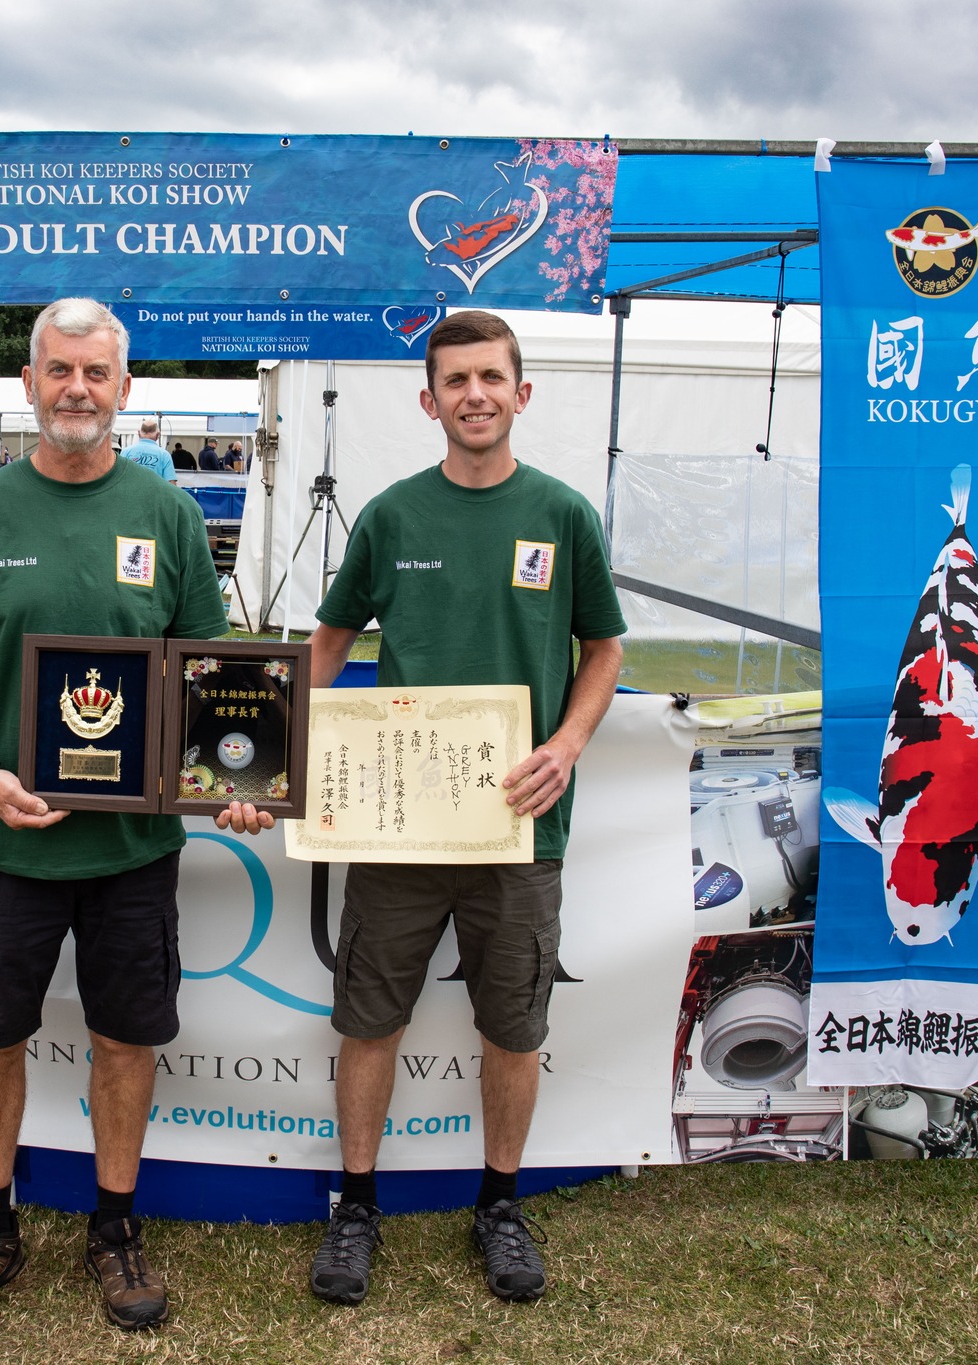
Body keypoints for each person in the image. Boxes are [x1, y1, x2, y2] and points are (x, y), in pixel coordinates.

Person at [0, 298, 273, 1334]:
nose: (74, 389)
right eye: (57, 370)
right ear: (27, 383)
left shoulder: (169, 516)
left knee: (124, 1041)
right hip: (8, 841)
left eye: (94, 373)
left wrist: (230, 784)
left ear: (123, 390)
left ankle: (112, 1228)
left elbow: (211, 681)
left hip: (132, 850)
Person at [303, 310, 626, 1306]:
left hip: (519, 828)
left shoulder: (563, 514)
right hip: (399, 824)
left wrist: (566, 744)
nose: (474, 395)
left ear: (519, 393)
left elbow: (602, 650)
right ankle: (354, 1205)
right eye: (455, 381)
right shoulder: (392, 516)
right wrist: (289, 755)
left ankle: (498, 1203)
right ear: (428, 400)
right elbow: (327, 639)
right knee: (368, 1018)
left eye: (491, 378)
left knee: (512, 1027)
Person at [120, 417, 176, 482]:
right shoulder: (164, 455)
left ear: (138, 433)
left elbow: (118, 478)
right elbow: (171, 483)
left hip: (129, 491)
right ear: (158, 435)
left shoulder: (126, 452)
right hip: (155, 491)